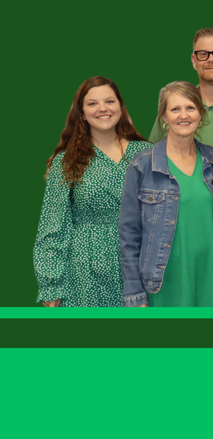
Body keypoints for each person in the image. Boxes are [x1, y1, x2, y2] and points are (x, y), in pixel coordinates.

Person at [34, 77, 151, 307]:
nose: (103, 109)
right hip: (84, 273)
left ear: (120, 106)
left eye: (109, 101)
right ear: (82, 113)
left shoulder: (146, 153)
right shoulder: (66, 161)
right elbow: (52, 227)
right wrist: (51, 286)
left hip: (140, 267)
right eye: (92, 103)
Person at [120, 81, 213, 307]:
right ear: (163, 117)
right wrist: (134, 292)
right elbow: (129, 235)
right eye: (175, 109)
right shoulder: (142, 165)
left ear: (201, 113)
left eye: (191, 108)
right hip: (162, 283)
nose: (184, 115)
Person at [149, 28, 213, 156]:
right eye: (203, 54)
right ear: (194, 61)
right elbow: (149, 160)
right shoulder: (174, 106)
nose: (211, 59)